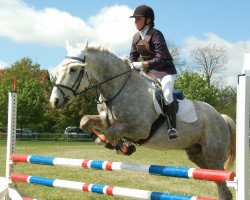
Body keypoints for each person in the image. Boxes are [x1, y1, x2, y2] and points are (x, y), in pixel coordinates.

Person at [129, 5, 178, 141]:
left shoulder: (156, 34)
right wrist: (131, 65)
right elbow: (132, 57)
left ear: (148, 20)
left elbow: (161, 58)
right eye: (135, 19)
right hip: (150, 73)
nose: (135, 21)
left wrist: (142, 64)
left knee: (167, 94)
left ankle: (172, 127)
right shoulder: (136, 37)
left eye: (138, 19)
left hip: (165, 71)